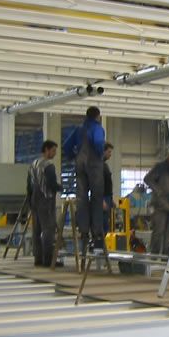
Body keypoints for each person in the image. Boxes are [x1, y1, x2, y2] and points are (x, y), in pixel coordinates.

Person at [64, 106, 106, 251]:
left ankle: (83, 232)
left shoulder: (79, 129)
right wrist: (100, 156)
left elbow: (66, 146)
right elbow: (99, 143)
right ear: (98, 116)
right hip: (93, 164)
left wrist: (73, 156)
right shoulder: (97, 128)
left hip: (80, 164)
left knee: (82, 198)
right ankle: (97, 233)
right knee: (96, 197)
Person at [27, 140, 62, 267]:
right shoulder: (48, 165)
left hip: (34, 200)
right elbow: (52, 184)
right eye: (53, 151)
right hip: (46, 200)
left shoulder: (33, 164)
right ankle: (48, 259)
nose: (55, 153)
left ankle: (38, 259)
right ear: (46, 150)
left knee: (36, 231)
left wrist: (30, 202)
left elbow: (29, 185)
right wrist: (61, 188)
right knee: (48, 230)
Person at [144, 150, 169, 255]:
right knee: (159, 231)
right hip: (159, 205)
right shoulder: (160, 168)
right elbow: (147, 179)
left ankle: (167, 256)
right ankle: (154, 255)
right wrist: (159, 191)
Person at [102, 142, 114, 234]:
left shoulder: (104, 165)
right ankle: (101, 242)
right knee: (103, 224)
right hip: (103, 199)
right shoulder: (99, 166)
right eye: (109, 152)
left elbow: (107, 185)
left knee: (106, 224)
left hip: (107, 198)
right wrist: (101, 200)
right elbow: (98, 185)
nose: (110, 154)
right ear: (103, 151)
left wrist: (111, 199)